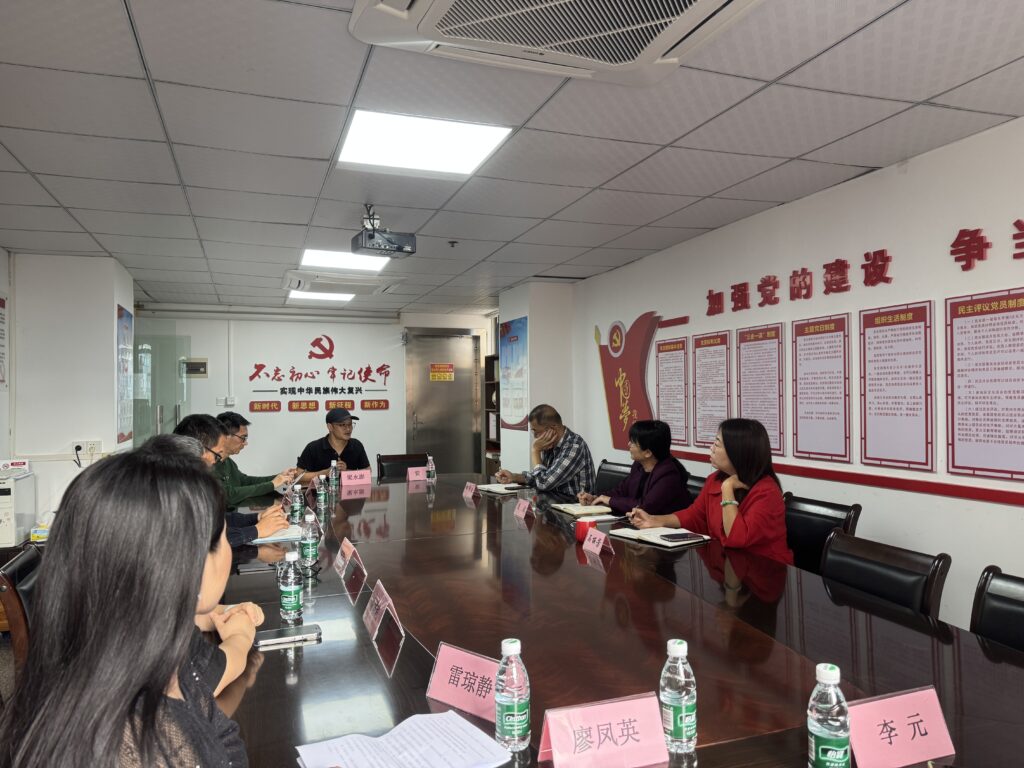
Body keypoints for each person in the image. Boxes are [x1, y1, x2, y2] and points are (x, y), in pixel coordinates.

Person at [0, 435, 252, 768]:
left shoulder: (130, 651)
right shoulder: (140, 741)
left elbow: (223, 736)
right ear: (188, 564)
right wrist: (241, 634)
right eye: (221, 537)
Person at [630, 418, 793, 565]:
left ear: (736, 451)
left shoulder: (767, 492)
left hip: (763, 572)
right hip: (726, 565)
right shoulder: (715, 479)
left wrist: (727, 489)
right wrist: (655, 520)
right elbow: (695, 516)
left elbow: (737, 538)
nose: (711, 448)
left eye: (717, 444)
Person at [175, 413, 288, 547]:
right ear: (198, 448)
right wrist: (257, 531)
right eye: (217, 455)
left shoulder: (189, 478)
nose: (215, 462)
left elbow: (215, 521)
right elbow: (203, 538)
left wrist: (257, 518)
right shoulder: (173, 487)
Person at [577, 419, 691, 516]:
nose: (628, 445)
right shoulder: (639, 465)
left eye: (633, 442)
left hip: (668, 531)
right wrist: (595, 498)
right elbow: (621, 490)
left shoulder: (668, 474)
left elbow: (645, 507)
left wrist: (609, 500)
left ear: (648, 452)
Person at [495, 404, 595, 499]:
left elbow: (543, 483)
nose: (535, 437)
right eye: (533, 432)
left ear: (552, 429)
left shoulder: (574, 446)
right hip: (555, 503)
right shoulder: (550, 444)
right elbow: (540, 476)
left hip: (575, 506)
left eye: (536, 431)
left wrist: (535, 451)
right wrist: (514, 477)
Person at [215, 411, 298, 506]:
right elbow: (228, 496)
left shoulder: (228, 462)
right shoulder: (208, 464)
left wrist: (280, 477)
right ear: (225, 436)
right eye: (243, 438)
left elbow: (245, 482)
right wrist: (272, 484)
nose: (245, 443)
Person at [296, 407, 370, 483]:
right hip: (321, 490)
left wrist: (346, 472)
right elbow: (298, 476)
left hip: (350, 490)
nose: (348, 429)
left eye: (350, 424)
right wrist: (325, 473)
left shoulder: (356, 445)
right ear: (330, 427)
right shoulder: (313, 448)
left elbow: (368, 472)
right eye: (342, 425)